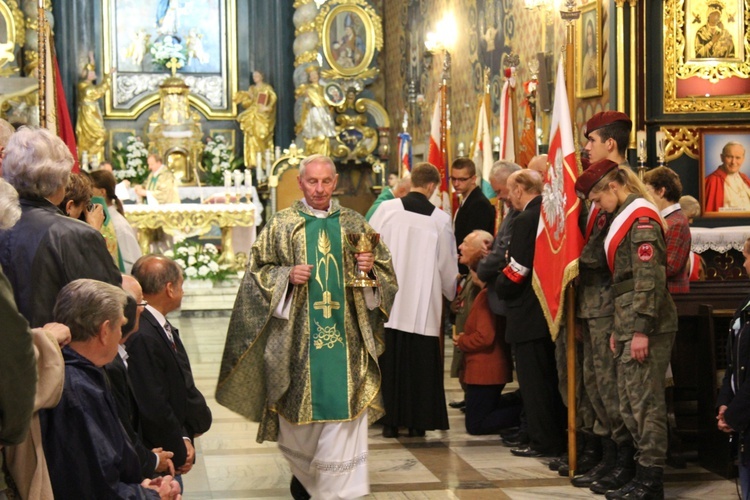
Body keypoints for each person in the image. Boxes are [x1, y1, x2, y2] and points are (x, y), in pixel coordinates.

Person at [215, 154, 397, 499]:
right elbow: (255, 276)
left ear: (336, 183)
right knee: (300, 418)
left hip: (348, 343)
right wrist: (285, 276)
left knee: (345, 413)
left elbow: (385, 278)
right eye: (312, 181)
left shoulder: (355, 223)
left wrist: (369, 269)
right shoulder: (282, 224)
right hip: (298, 343)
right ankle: (307, 481)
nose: (319, 188)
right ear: (300, 183)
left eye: (326, 181)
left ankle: (337, 492)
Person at [575, 158, 678, 499]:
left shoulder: (642, 220)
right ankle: (636, 470)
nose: (596, 205)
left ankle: (651, 480)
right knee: (629, 402)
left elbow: (648, 280)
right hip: (625, 319)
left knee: (644, 403)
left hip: (647, 322)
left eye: (597, 198)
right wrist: (619, 330)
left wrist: (639, 330)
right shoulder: (622, 215)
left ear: (614, 187)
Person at [41, 279, 181, 500]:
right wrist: (153, 496)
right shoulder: (77, 389)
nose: (120, 336)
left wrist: (143, 484)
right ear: (105, 330)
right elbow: (93, 489)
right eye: (120, 324)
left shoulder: (84, 374)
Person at [572, 111, 637, 493]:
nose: (586, 148)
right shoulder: (600, 189)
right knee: (595, 386)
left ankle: (622, 461)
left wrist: (572, 260)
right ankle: (604, 456)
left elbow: (608, 253)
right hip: (592, 303)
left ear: (609, 143)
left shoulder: (628, 190)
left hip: (612, 305)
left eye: (591, 141)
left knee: (615, 391)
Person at [0, 127, 122, 327]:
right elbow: (111, 312)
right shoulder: (77, 235)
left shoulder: (5, 222)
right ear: (61, 181)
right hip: (59, 352)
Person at [370, 162, 457, 438]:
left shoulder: (386, 210)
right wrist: (453, 293)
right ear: (431, 187)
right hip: (423, 306)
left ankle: (391, 423)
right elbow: (446, 266)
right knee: (420, 362)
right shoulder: (440, 220)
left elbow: (366, 246)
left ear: (412, 182)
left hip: (389, 302)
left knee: (392, 361)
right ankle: (418, 423)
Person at [495, 169, 565, 458]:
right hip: (548, 313)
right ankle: (551, 437)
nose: (508, 197)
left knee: (535, 384)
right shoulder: (551, 215)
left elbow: (519, 268)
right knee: (548, 379)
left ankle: (543, 441)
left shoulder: (526, 219)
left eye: (510, 190)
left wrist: (500, 284)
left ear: (521, 189)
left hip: (527, 312)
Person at [126, 255, 212, 483]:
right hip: (161, 453)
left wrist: (185, 433)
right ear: (170, 289)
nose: (183, 292)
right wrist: (178, 446)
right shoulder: (143, 334)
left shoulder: (154, 323)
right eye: (181, 285)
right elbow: (153, 401)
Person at [104, 274, 176, 480]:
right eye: (139, 302)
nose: (143, 308)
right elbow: (122, 428)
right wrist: (150, 461)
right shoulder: (110, 365)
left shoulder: (119, 353)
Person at [452, 230, 518, 435]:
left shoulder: (486, 298)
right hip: (481, 371)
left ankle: (525, 412)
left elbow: (486, 336)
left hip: (486, 371)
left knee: (476, 424)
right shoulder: (483, 294)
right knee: (480, 415)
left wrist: (462, 341)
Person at [717, 237, 750, 500]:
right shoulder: (744, 307)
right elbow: (732, 363)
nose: (745, 264)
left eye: (748, 257)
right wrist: (725, 403)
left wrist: (734, 415)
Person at [644, 166, 691, 294]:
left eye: (647, 191)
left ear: (661, 191)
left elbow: (670, 267)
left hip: (671, 294)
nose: (645, 197)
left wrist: (640, 264)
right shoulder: (669, 219)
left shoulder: (676, 222)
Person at [90, 169, 143, 273]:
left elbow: (130, 263)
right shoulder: (102, 218)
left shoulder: (118, 224)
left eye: (90, 189)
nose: (88, 194)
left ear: (102, 192)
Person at [451, 158, 496, 275]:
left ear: (473, 179)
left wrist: (464, 273)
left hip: (472, 271)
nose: (456, 184)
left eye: (462, 179)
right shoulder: (467, 200)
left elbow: (475, 246)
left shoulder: (479, 204)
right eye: (453, 179)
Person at [235, 70, 277, 168]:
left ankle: (263, 162)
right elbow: (247, 104)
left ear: (262, 76)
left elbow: (273, 98)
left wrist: (268, 107)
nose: (255, 78)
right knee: (251, 135)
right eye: (254, 76)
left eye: (257, 75)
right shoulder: (252, 88)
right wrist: (248, 97)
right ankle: (252, 161)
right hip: (253, 113)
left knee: (261, 136)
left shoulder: (267, 87)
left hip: (262, 116)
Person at [75, 63, 112, 164]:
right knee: (101, 134)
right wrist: (108, 77)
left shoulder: (85, 86)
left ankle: (91, 157)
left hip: (91, 112)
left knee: (96, 136)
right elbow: (99, 90)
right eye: (92, 72)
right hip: (89, 114)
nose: (94, 73)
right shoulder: (87, 89)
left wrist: (91, 61)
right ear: (88, 75)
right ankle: (90, 157)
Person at [296, 66, 337, 156]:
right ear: (309, 78)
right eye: (312, 75)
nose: (314, 76)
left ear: (318, 76)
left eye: (315, 74)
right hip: (314, 112)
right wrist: (308, 101)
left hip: (323, 112)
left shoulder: (323, 88)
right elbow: (305, 103)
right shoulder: (308, 89)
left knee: (324, 135)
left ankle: (325, 154)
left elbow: (329, 100)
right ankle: (313, 152)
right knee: (314, 133)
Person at [704, 142, 750, 211]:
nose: (733, 162)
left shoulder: (745, 179)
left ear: (743, 159)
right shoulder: (711, 181)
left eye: (738, 158)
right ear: (722, 158)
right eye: (729, 157)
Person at [582, 19, 598, 90]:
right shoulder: (586, 58)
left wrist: (594, 72)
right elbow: (582, 83)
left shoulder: (596, 57)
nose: (589, 38)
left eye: (590, 34)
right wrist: (587, 77)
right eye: (587, 34)